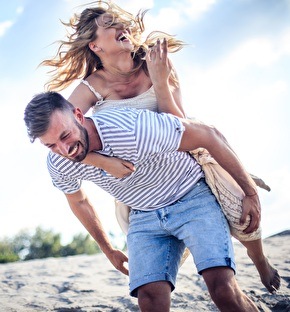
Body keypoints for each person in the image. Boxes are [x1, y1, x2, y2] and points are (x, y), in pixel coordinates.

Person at [40, 1, 280, 294]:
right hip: (140, 180)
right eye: (110, 26)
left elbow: (180, 122)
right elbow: (66, 142)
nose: (122, 27)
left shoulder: (156, 61)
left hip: (183, 154)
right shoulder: (90, 87)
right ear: (95, 46)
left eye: (121, 22)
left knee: (240, 205)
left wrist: (160, 82)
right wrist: (102, 162)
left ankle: (260, 260)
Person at [24, 91, 263, 311]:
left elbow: (209, 135)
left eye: (65, 136)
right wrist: (108, 249)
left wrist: (250, 193)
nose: (65, 150)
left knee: (222, 289)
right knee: (149, 299)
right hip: (143, 214)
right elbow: (79, 202)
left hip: (191, 196)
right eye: (51, 145)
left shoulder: (132, 128)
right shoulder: (58, 163)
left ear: (78, 115)